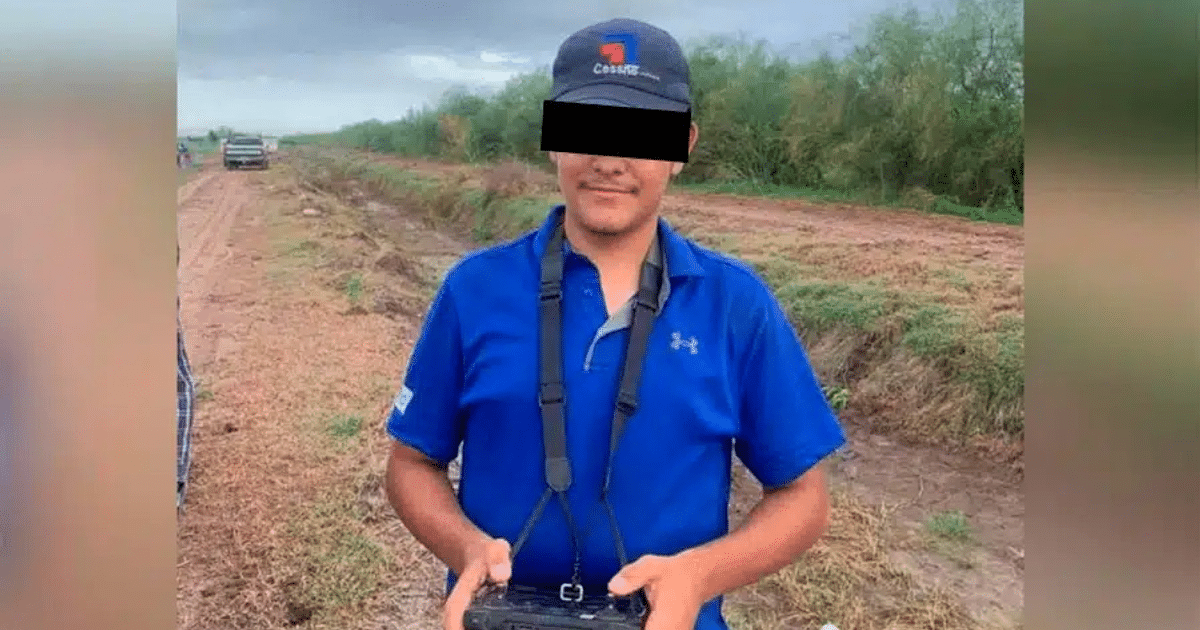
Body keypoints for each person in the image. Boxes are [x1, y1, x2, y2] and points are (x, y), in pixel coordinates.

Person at [383, 17, 846, 630]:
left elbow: (804, 500)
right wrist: (464, 547)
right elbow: (411, 463)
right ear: (553, 140)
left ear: (682, 146)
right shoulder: (474, 290)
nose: (609, 159)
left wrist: (698, 578)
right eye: (588, 129)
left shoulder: (736, 305)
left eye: (639, 133)